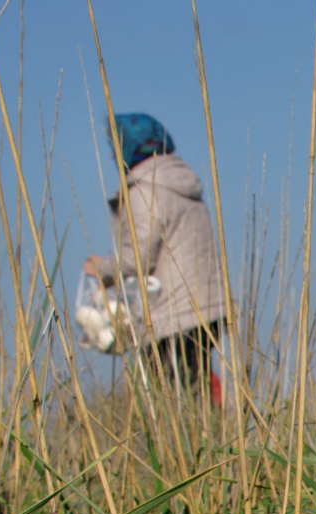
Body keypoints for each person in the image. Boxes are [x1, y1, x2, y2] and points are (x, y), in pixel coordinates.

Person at [84, 113, 227, 401]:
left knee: (173, 395)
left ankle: (206, 432)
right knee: (194, 379)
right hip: (208, 307)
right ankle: (219, 428)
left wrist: (102, 269)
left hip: (173, 312)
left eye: (116, 145)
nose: (112, 154)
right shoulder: (182, 185)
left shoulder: (145, 191)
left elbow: (137, 258)